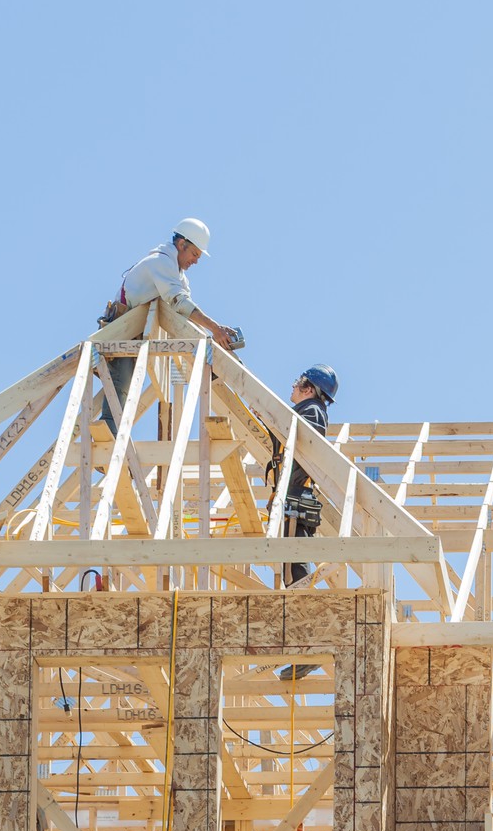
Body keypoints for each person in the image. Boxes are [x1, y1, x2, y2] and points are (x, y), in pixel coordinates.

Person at [97, 218, 238, 428]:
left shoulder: (177, 274)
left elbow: (185, 314)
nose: (196, 261)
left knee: (126, 386)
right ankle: (107, 434)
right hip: (122, 328)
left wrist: (211, 338)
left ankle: (110, 432)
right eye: (194, 254)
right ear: (182, 244)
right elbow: (179, 302)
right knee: (122, 385)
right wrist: (214, 329)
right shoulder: (161, 262)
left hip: (135, 330)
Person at [272, 364, 338, 679]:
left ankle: (314, 643)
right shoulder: (310, 412)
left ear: (309, 388)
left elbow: (298, 439)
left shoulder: (310, 412)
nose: (293, 387)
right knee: (292, 575)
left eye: (298, 383)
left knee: (295, 574)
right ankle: (308, 644)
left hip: (295, 503)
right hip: (295, 502)